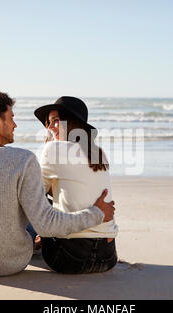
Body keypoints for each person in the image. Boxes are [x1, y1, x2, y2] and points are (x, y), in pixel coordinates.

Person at [0, 91, 115, 277]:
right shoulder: (97, 155)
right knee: (31, 192)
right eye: (11, 118)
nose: (15, 124)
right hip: (13, 262)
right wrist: (97, 213)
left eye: (55, 121)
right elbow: (43, 214)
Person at [33, 96, 118, 274]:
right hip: (107, 256)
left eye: (55, 121)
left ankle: (31, 241)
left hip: (68, 258)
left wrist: (49, 146)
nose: (49, 128)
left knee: (35, 202)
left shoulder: (53, 150)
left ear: (71, 122)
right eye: (49, 123)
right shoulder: (99, 153)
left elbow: (34, 193)